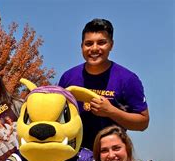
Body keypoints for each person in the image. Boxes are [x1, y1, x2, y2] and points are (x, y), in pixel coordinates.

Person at [58, 18, 149, 150]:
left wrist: (111, 111)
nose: (94, 48)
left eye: (101, 43)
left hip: (109, 156)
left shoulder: (128, 79)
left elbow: (143, 123)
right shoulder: (68, 77)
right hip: (72, 155)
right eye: (88, 43)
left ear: (111, 45)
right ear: (81, 46)